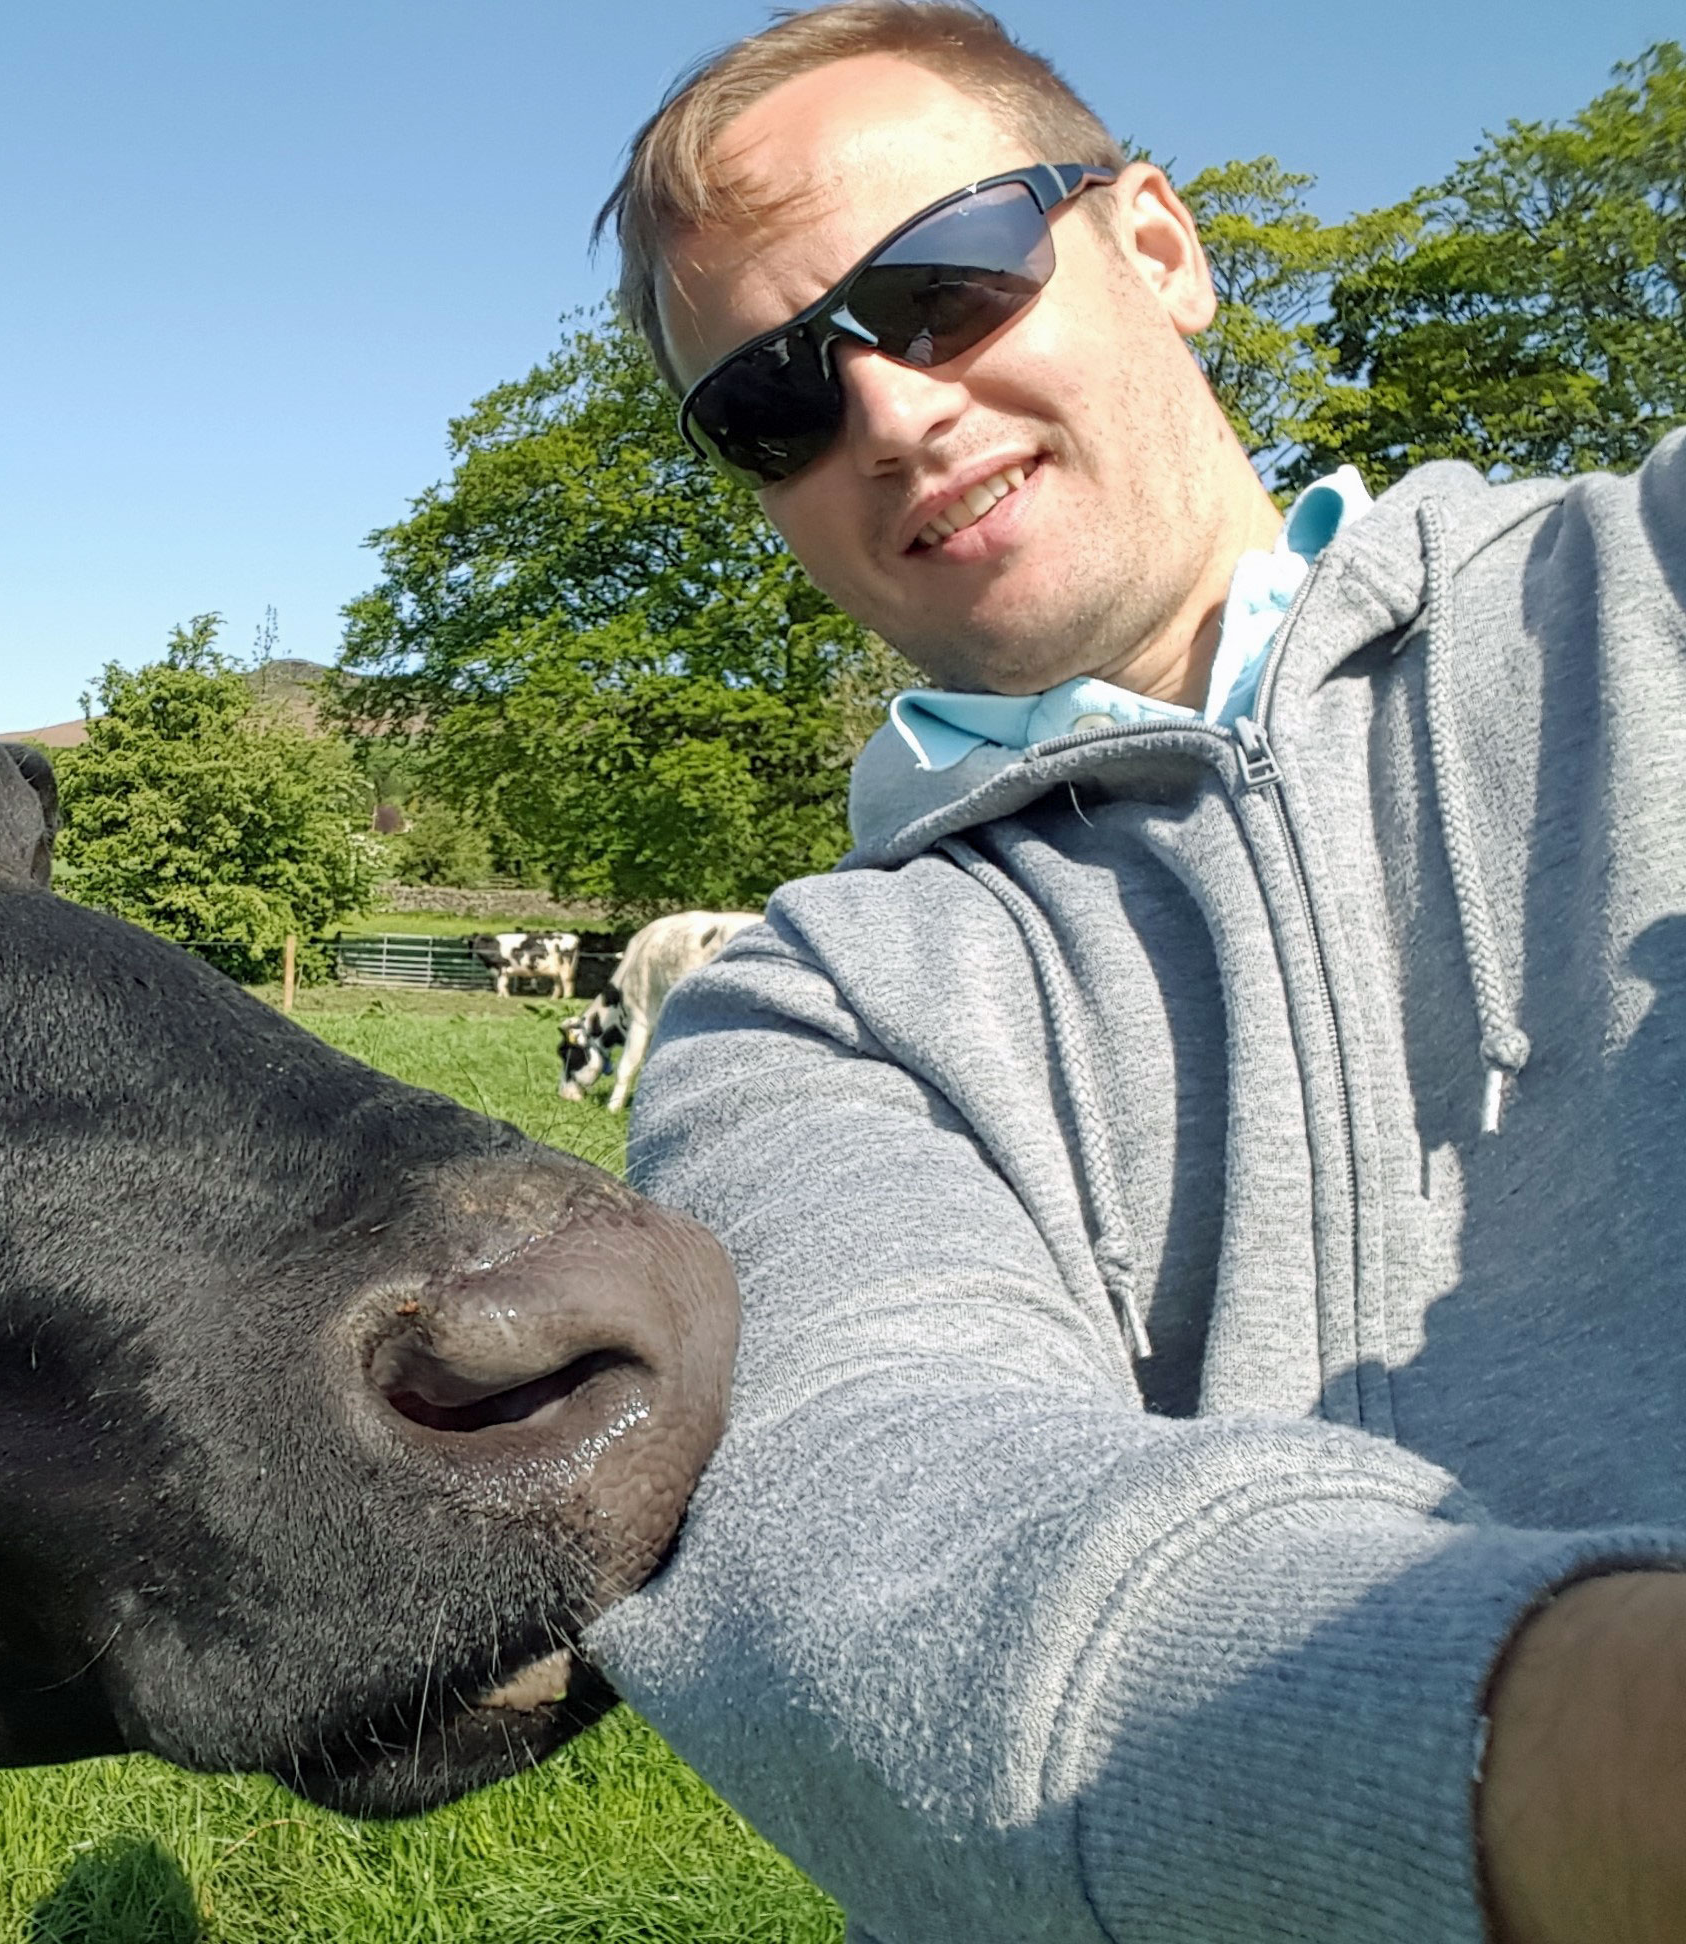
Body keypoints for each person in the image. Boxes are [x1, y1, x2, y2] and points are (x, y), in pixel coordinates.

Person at [572, 7, 1686, 1943]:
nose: (893, 416)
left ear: (1160, 248)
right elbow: (889, 1555)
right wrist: (1595, 1769)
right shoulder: (809, 1011)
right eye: (777, 400)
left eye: (942, 286)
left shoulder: (1651, 594)